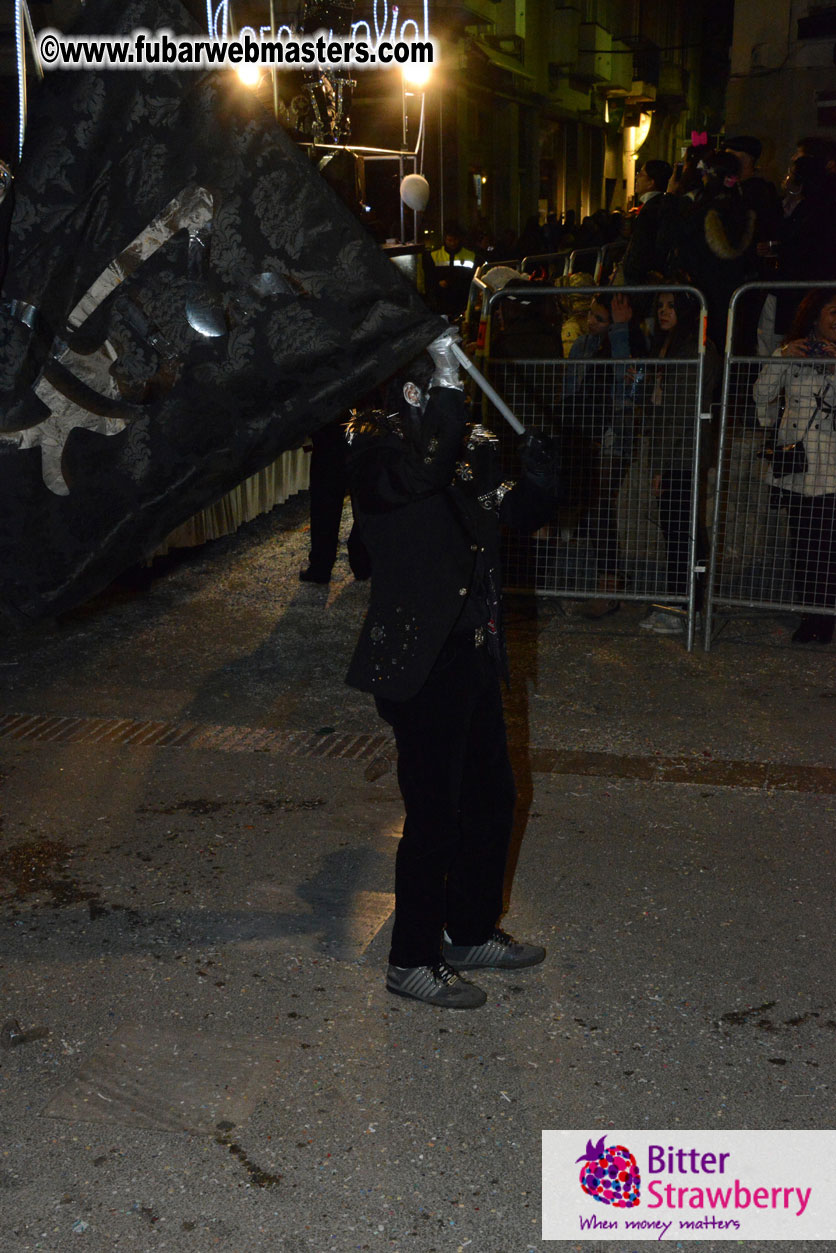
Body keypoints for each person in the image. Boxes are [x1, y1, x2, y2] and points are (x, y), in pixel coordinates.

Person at [345, 329, 558, 1008]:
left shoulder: (461, 449)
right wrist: (445, 393)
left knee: (493, 799)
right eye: (444, 383)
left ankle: (467, 931)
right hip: (421, 662)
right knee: (435, 815)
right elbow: (421, 476)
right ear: (415, 390)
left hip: (473, 651)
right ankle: (410, 958)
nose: (457, 395)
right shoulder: (374, 447)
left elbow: (509, 511)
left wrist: (545, 477)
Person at [753, 288, 836, 644]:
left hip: (831, 468)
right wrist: (783, 357)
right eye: (833, 312)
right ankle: (809, 616)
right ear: (815, 316)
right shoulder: (789, 351)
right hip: (798, 467)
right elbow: (761, 395)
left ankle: (825, 618)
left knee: (827, 547)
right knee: (802, 546)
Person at [638, 290, 720, 635]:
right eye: (660, 306)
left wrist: (660, 465)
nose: (663, 312)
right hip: (673, 450)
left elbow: (681, 411)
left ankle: (685, 606)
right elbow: (659, 404)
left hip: (683, 452)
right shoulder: (668, 347)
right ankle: (681, 602)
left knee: (682, 531)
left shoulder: (695, 348)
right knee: (677, 530)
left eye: (671, 306)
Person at [563, 292, 647, 617]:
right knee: (593, 506)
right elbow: (571, 389)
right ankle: (606, 582)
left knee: (600, 505)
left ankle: (609, 585)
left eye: (600, 318)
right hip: (584, 434)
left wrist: (621, 330)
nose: (590, 322)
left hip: (612, 434)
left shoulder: (628, 341)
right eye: (590, 315)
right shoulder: (584, 345)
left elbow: (629, 387)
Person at [299, 415, 370, 584]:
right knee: (363, 499)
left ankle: (322, 566)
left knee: (325, 503)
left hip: (333, 430)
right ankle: (361, 559)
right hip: (359, 428)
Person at [622, 159, 674, 285]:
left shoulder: (651, 210)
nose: (636, 178)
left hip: (643, 279)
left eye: (641, 174)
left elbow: (642, 246)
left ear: (651, 182)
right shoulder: (660, 205)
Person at [424, 221, 477, 319]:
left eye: (455, 240)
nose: (453, 243)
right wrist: (438, 283)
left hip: (462, 301)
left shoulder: (470, 255)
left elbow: (472, 278)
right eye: (450, 240)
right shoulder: (434, 256)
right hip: (441, 302)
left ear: (460, 239)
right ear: (445, 239)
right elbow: (429, 279)